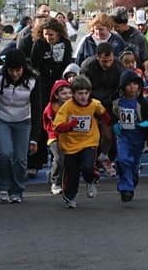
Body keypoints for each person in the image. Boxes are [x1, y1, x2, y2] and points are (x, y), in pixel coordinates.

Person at [0, 49, 41, 203]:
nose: (15, 74)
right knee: (5, 153)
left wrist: (34, 138)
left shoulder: (33, 79)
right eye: (11, 70)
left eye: (18, 70)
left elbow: (37, 108)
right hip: (1, 118)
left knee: (20, 158)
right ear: (6, 68)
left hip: (23, 120)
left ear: (24, 68)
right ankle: (3, 186)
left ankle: (17, 190)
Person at [54, 76, 112, 208]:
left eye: (86, 93)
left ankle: (91, 180)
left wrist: (110, 126)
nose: (83, 97)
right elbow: (57, 126)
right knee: (72, 172)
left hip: (89, 141)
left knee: (87, 166)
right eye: (80, 93)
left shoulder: (94, 104)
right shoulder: (67, 107)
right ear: (73, 94)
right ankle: (70, 197)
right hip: (70, 144)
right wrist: (69, 125)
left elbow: (105, 116)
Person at [29, 18, 73, 175]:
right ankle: (36, 161)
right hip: (42, 86)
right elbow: (33, 65)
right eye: (46, 35)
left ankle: (65, 161)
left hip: (59, 87)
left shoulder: (65, 45)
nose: (49, 38)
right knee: (42, 122)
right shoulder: (39, 44)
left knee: (62, 121)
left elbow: (67, 65)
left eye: (52, 35)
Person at [80, 42, 124, 176]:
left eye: (110, 60)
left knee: (108, 134)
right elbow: (82, 88)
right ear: (97, 57)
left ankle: (104, 156)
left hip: (109, 102)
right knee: (88, 134)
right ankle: (87, 159)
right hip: (90, 102)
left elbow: (120, 87)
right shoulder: (88, 66)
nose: (107, 64)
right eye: (104, 61)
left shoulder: (117, 66)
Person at [112, 70, 148, 202]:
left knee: (134, 163)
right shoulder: (117, 102)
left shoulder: (143, 103)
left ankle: (132, 178)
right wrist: (115, 124)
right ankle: (126, 188)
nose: (132, 87)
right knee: (123, 159)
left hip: (138, 138)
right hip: (124, 137)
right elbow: (113, 115)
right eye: (129, 84)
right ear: (123, 86)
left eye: (135, 84)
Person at [42, 79, 72, 195]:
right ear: (56, 95)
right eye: (64, 94)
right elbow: (46, 121)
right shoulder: (52, 108)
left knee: (68, 159)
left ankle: (64, 179)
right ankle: (55, 182)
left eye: (69, 93)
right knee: (59, 158)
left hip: (69, 135)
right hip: (54, 135)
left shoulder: (73, 105)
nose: (67, 96)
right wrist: (49, 131)